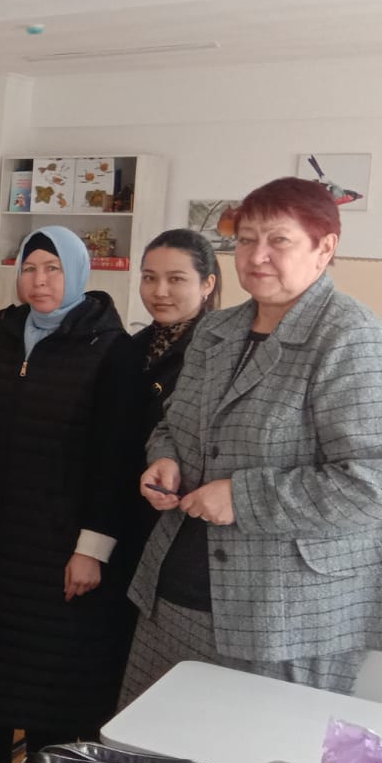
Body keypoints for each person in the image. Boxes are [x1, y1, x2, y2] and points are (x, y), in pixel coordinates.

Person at [125, 179, 382, 704]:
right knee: (150, 748)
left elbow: (378, 480)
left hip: (284, 615)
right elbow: (172, 423)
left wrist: (242, 497)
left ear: (324, 248)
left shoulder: (351, 339)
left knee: (251, 752)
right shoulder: (216, 332)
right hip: (175, 591)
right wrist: (164, 458)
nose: (257, 255)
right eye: (245, 240)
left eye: (278, 240)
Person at [0, 226, 132, 763]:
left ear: (77, 273)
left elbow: (113, 459)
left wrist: (91, 548)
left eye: (53, 268)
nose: (40, 281)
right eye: (30, 268)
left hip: (57, 535)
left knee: (46, 665)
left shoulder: (110, 347)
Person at [78, 230, 221, 607]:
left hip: (184, 527)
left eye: (176, 279)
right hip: (124, 520)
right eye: (149, 277)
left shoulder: (219, 357)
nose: (160, 291)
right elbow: (109, 447)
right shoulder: (129, 349)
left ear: (207, 285)